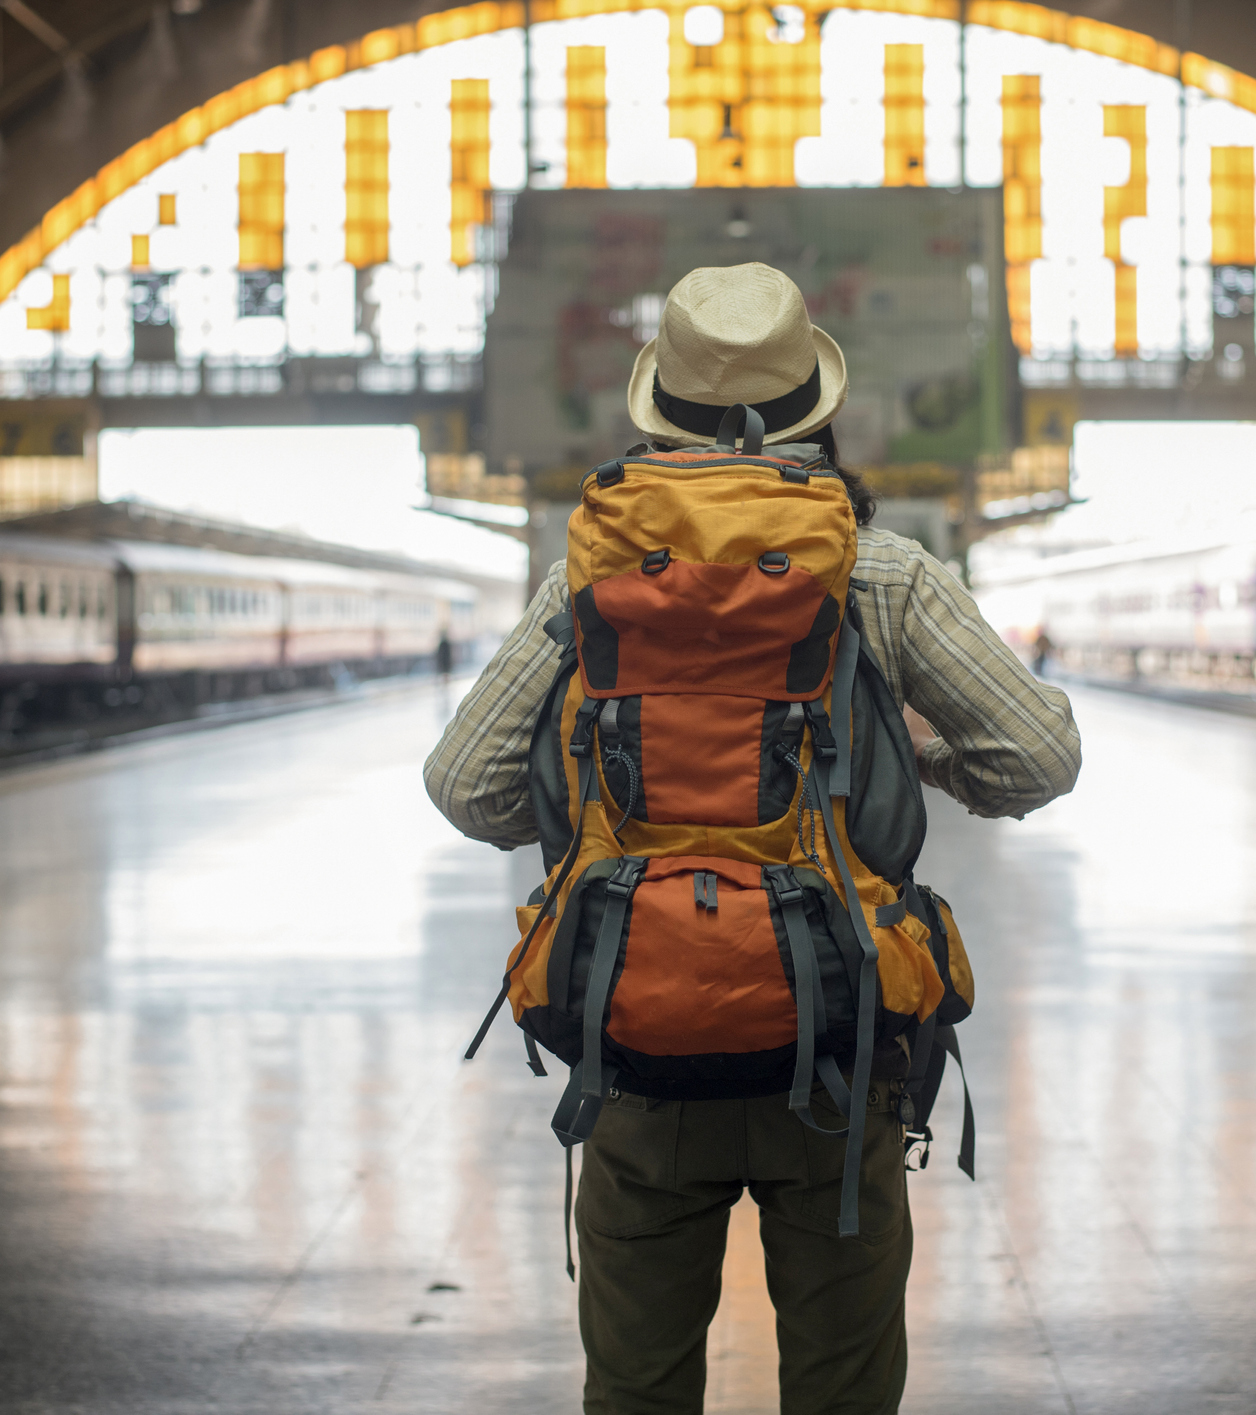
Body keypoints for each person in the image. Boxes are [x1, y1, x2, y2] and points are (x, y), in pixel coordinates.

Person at [424, 262, 1082, 1415]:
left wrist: (600, 802)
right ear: (813, 414)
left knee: (636, 1388)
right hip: (839, 1034)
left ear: (661, 409)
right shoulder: (878, 571)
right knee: (841, 1387)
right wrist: (913, 754)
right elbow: (1039, 755)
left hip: (633, 1034)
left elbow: (466, 784)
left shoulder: (585, 578)